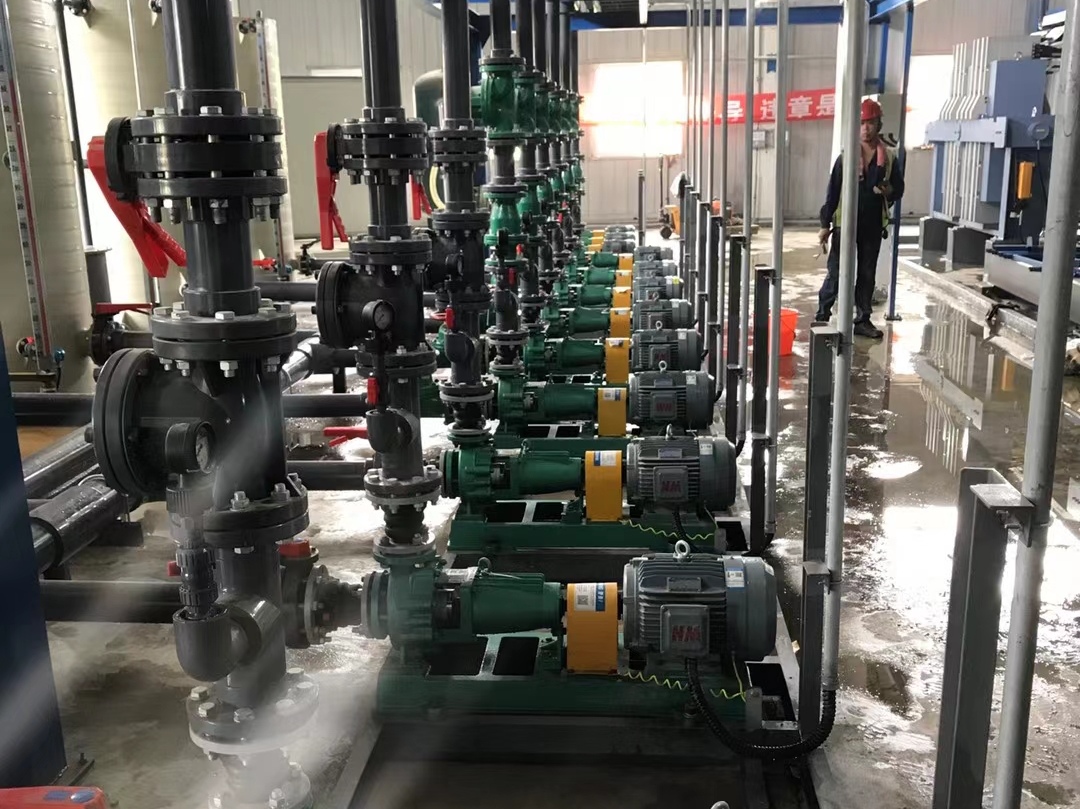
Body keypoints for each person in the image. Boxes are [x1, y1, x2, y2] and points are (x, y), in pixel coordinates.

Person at [815, 98, 905, 339]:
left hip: (872, 225)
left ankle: (862, 320)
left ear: (879, 125)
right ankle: (822, 316)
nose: (866, 128)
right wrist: (824, 224)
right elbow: (833, 193)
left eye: (871, 123)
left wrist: (888, 191)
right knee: (836, 272)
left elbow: (898, 189)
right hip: (845, 224)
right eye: (862, 123)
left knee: (866, 273)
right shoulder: (845, 159)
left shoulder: (889, 158)